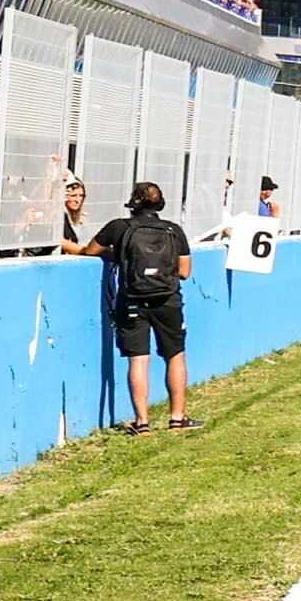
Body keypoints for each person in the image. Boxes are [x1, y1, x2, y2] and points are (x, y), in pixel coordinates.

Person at [66, 179, 197, 430]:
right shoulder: (173, 230)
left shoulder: (119, 227)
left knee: (138, 360)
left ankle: (142, 422)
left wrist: (118, 255)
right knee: (176, 356)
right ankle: (177, 418)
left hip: (132, 300)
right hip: (168, 300)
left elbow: (90, 251)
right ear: (159, 203)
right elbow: (184, 271)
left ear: (133, 202)